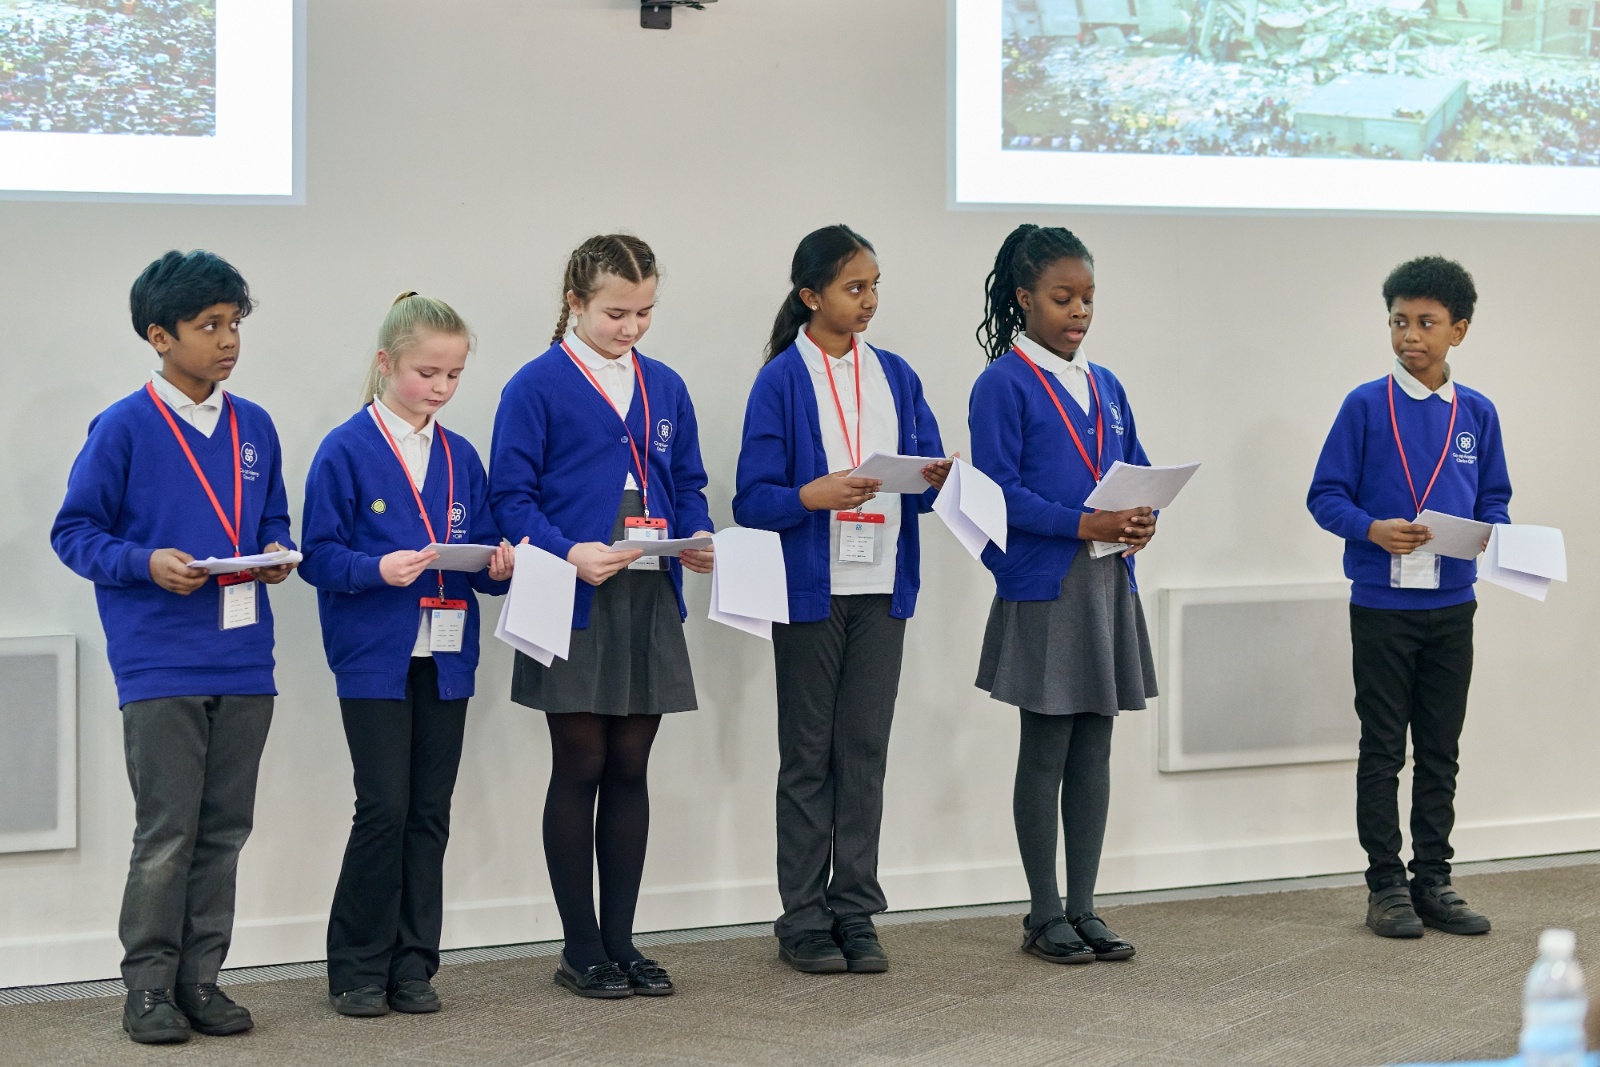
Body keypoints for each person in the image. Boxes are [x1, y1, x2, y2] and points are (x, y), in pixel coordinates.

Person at [50, 250, 297, 1044]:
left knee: (224, 830)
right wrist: (144, 561)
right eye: (209, 325)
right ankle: (149, 987)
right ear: (160, 336)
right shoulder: (123, 426)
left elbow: (271, 517)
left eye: (235, 325)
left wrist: (276, 550)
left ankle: (201, 979)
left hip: (244, 656)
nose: (227, 341)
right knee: (167, 832)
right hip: (159, 659)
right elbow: (74, 532)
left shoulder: (255, 425)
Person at [490, 234, 714, 998]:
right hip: (571, 594)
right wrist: (566, 550)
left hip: (647, 594)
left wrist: (695, 535)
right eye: (616, 312)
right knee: (580, 762)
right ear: (575, 302)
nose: (631, 326)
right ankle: (579, 945)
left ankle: (622, 940)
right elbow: (509, 498)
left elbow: (688, 480)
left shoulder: (665, 385)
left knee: (630, 765)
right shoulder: (536, 385)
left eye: (644, 312)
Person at [732, 225, 949, 975]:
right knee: (808, 756)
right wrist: (811, 495)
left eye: (875, 285)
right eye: (855, 287)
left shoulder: (896, 375)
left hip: (883, 588)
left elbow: (925, 482)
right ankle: (802, 917)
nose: (869, 300)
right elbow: (752, 500)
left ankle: (854, 911)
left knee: (864, 753)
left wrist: (939, 479)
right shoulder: (781, 380)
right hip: (810, 593)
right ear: (810, 295)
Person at [300, 293, 515, 1016]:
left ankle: (414, 964)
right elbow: (317, 556)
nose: (441, 387)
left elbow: (482, 553)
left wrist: (498, 565)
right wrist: (376, 569)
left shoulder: (461, 455)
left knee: (429, 810)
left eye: (454, 375)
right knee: (384, 808)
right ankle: (357, 967)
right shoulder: (346, 449)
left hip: (447, 654)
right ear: (386, 364)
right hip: (374, 655)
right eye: (428, 372)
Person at [968, 224, 1157, 966]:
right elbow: (1000, 494)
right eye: (1061, 297)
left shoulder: (1106, 385)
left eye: (1087, 298)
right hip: (1046, 585)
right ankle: (1043, 912)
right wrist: (1087, 522)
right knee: (1046, 746)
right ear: (1024, 299)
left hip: (1107, 581)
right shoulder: (1002, 384)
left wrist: (1143, 518)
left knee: (1094, 747)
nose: (1078, 311)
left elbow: (1138, 469)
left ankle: (1084, 907)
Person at [1307, 256, 1508, 939]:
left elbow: (1494, 499)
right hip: (1382, 607)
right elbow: (1325, 495)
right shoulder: (1365, 406)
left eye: (1426, 322)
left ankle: (1434, 880)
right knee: (1383, 749)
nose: (1409, 335)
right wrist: (1372, 529)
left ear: (1459, 330)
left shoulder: (1477, 413)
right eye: (1398, 321)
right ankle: (1386, 886)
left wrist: (1490, 535)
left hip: (1452, 606)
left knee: (1441, 749)